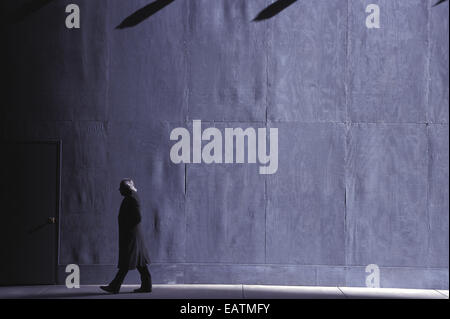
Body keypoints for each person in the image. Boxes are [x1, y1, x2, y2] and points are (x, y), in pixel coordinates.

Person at [100, 179, 152, 294]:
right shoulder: (131, 197)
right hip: (134, 236)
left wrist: (127, 227)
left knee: (126, 262)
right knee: (139, 262)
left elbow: (138, 217)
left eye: (121, 188)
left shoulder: (132, 198)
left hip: (131, 236)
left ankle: (114, 286)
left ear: (127, 188)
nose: (119, 190)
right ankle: (147, 286)